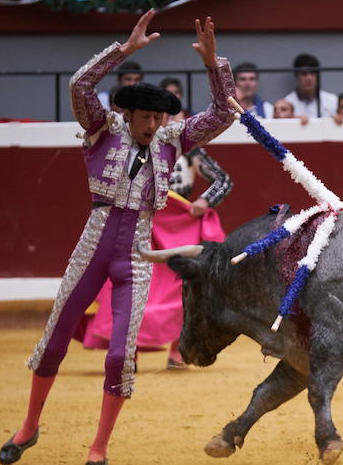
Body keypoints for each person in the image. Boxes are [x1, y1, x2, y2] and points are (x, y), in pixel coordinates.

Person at [0, 10, 236, 465]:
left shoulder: (171, 140)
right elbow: (78, 86)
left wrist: (213, 65)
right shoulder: (100, 129)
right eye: (146, 116)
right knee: (54, 340)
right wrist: (123, 51)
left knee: (122, 353)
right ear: (128, 113)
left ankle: (99, 446)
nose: (152, 124)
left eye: (158, 117)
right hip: (93, 245)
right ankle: (28, 427)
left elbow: (225, 112)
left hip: (137, 253)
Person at [79, 147, 232, 370]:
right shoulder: (131, 146)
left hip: (180, 227)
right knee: (130, 283)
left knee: (186, 285)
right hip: (140, 223)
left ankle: (179, 350)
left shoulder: (189, 151)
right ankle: (127, 351)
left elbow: (223, 180)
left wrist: (205, 200)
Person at [283, 53, 338, 118]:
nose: (308, 78)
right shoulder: (287, 102)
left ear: (317, 76)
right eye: (304, 73)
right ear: (296, 76)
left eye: (312, 73)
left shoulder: (332, 101)